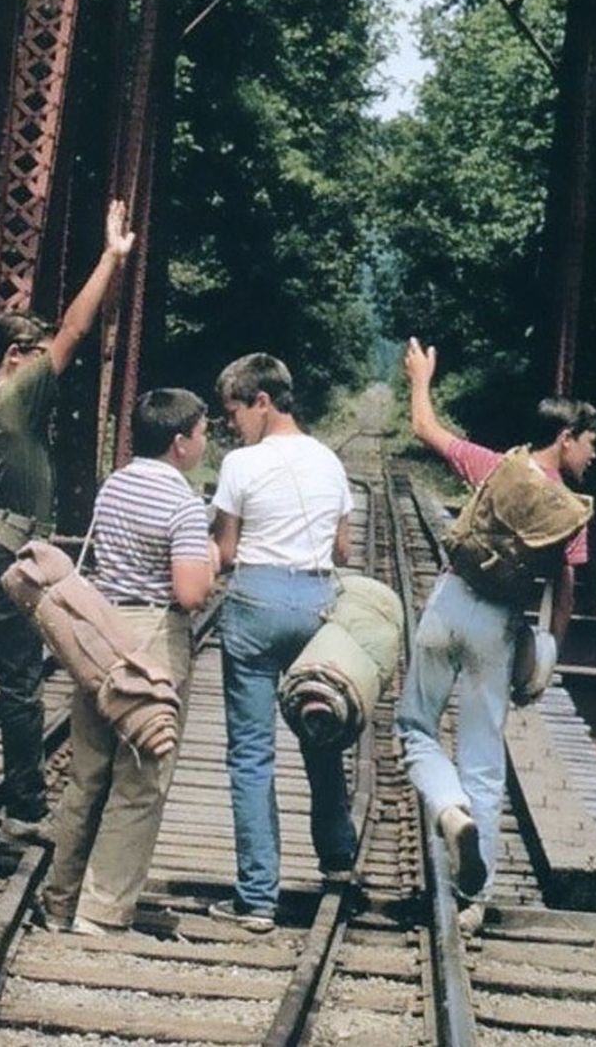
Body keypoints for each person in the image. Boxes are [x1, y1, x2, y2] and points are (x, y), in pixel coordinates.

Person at [0, 200, 134, 844]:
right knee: (20, 677)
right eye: (39, 352)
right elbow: (75, 330)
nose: (52, 362)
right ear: (18, 355)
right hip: (10, 551)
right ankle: (25, 807)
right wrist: (110, 257)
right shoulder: (16, 396)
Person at [396, 338, 596, 934]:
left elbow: (424, 427)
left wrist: (420, 376)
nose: (594, 455)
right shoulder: (569, 509)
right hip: (498, 629)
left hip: (450, 602)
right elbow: (564, 591)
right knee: (484, 760)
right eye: (590, 443)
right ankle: (475, 898)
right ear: (565, 438)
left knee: (415, 728)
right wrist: (547, 658)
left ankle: (447, 807)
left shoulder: (496, 466)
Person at [42, 388, 217, 934]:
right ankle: (102, 910)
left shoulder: (114, 486)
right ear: (179, 442)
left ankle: (59, 901)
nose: (206, 440)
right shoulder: (184, 504)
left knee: (87, 773)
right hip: (151, 638)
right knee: (140, 779)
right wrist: (209, 560)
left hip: (98, 633)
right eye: (202, 432)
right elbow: (190, 595)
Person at [209, 353, 357, 933]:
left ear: (262, 402)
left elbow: (224, 551)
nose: (231, 424)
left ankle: (258, 899)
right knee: (322, 734)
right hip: (316, 605)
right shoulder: (330, 461)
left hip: (255, 604)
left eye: (235, 411)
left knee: (251, 753)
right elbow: (343, 551)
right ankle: (337, 862)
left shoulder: (241, 465)